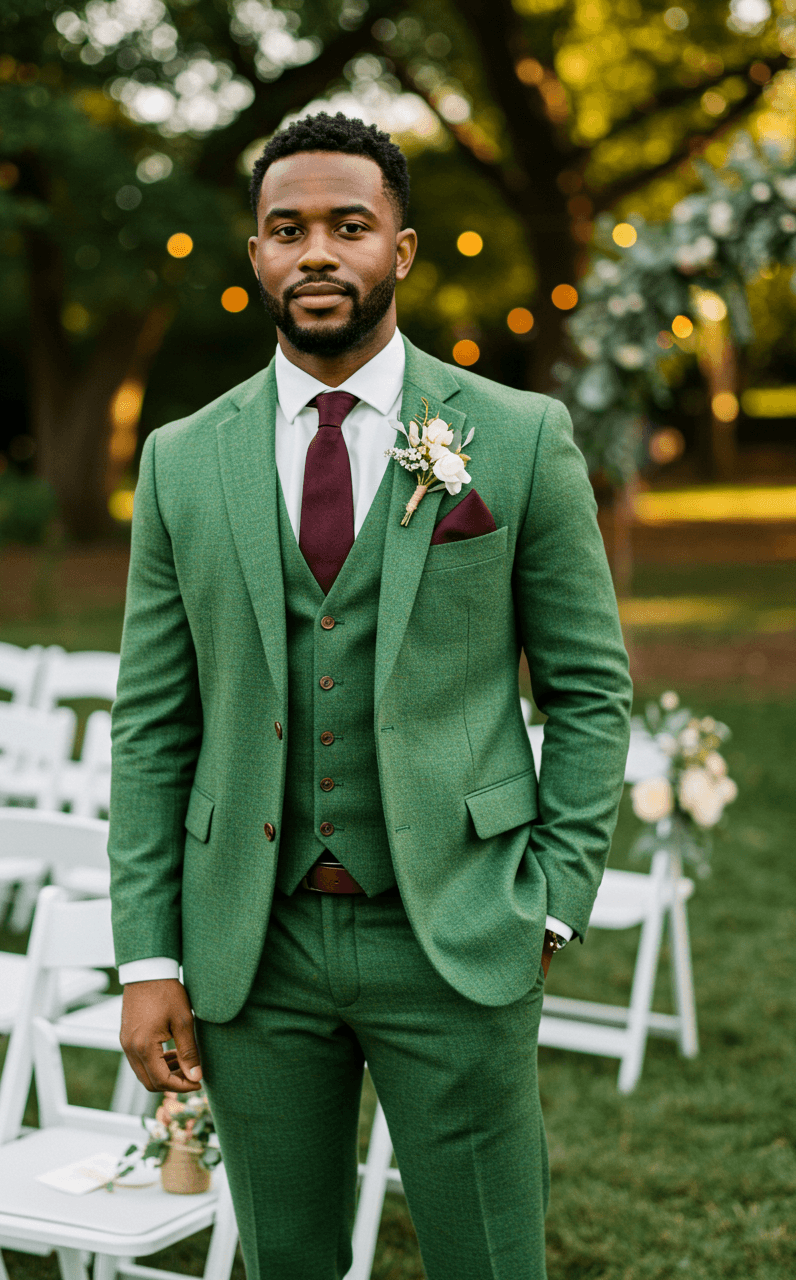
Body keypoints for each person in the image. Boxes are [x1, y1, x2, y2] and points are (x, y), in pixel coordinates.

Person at [110, 111, 632, 1280]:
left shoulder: (516, 436)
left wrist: (549, 902)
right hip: (251, 938)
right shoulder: (181, 459)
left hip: (456, 925)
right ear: (255, 252)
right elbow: (150, 724)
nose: (315, 252)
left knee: (489, 1255)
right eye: (285, 228)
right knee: (284, 1255)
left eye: (348, 226)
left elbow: (591, 690)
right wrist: (148, 958)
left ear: (399, 249)